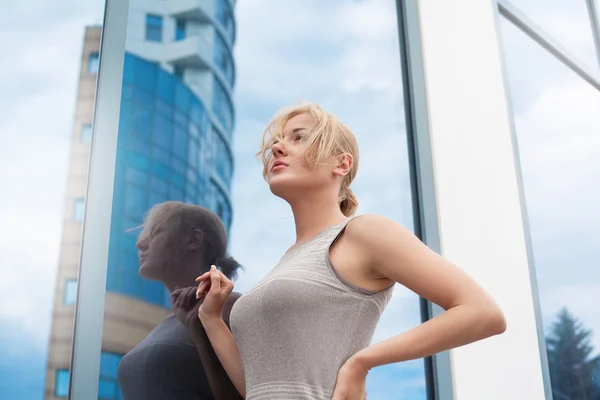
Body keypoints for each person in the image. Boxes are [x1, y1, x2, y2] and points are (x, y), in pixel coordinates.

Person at [177, 102, 507, 400]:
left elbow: (482, 312)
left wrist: (362, 363)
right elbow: (259, 388)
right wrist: (212, 317)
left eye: (298, 137)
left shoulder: (363, 233)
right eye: (277, 141)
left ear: (341, 163)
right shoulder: (287, 263)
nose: (277, 147)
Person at [117, 201, 243, 400]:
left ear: (193, 239)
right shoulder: (167, 324)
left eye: (156, 232)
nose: (139, 244)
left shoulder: (234, 308)